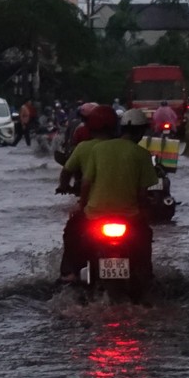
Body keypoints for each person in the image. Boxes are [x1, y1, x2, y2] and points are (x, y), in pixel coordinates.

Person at [58, 106, 157, 282]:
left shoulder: (98, 149)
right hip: (129, 216)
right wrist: (145, 212)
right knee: (145, 234)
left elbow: (86, 184)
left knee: (73, 232)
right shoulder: (142, 154)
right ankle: (145, 274)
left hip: (95, 214)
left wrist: (82, 209)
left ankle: (71, 273)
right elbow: (142, 194)